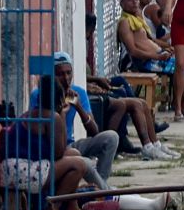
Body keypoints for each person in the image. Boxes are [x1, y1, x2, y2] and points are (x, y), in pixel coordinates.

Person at [0, 73, 87, 210]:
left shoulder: (29, 114)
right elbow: (58, 152)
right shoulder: (52, 117)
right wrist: (63, 115)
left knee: (75, 154)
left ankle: (72, 207)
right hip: (24, 173)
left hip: (9, 169)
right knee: (79, 165)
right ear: (59, 97)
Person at [27, 59, 120, 187]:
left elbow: (94, 131)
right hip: (53, 149)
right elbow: (54, 139)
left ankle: (101, 184)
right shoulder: (41, 95)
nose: (66, 78)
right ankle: (104, 191)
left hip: (70, 144)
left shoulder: (78, 92)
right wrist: (62, 111)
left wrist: (79, 107)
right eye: (60, 74)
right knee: (83, 161)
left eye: (69, 73)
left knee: (111, 137)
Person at [117, 0, 173, 75]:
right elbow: (133, 51)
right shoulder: (125, 22)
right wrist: (158, 56)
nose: (135, 2)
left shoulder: (137, 19)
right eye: (130, 0)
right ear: (122, 4)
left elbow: (150, 40)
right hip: (141, 63)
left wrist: (166, 48)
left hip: (154, 57)